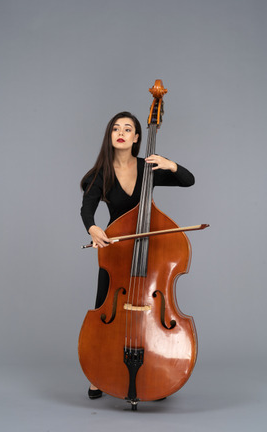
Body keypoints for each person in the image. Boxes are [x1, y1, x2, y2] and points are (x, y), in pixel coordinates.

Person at [80, 111, 195, 399]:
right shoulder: (101, 174)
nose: (121, 132)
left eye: (128, 128)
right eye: (115, 128)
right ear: (111, 136)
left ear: (137, 137)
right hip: (116, 250)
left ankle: (155, 372)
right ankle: (97, 374)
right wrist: (93, 228)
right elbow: (87, 210)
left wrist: (170, 164)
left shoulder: (148, 169)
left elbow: (188, 180)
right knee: (104, 303)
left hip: (149, 249)